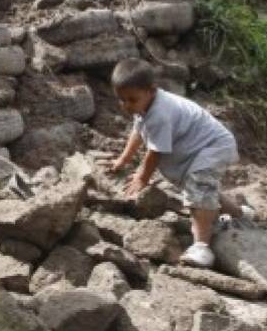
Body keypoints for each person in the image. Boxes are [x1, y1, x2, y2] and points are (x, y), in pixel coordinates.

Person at [108, 58, 252, 269]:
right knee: (204, 189)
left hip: (212, 146)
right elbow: (138, 131)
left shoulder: (160, 113)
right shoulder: (145, 105)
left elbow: (155, 152)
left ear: (151, 90)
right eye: (122, 100)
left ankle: (202, 247)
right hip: (198, 150)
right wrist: (124, 158)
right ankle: (240, 215)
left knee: (199, 188)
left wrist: (142, 178)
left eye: (131, 99)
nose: (127, 106)